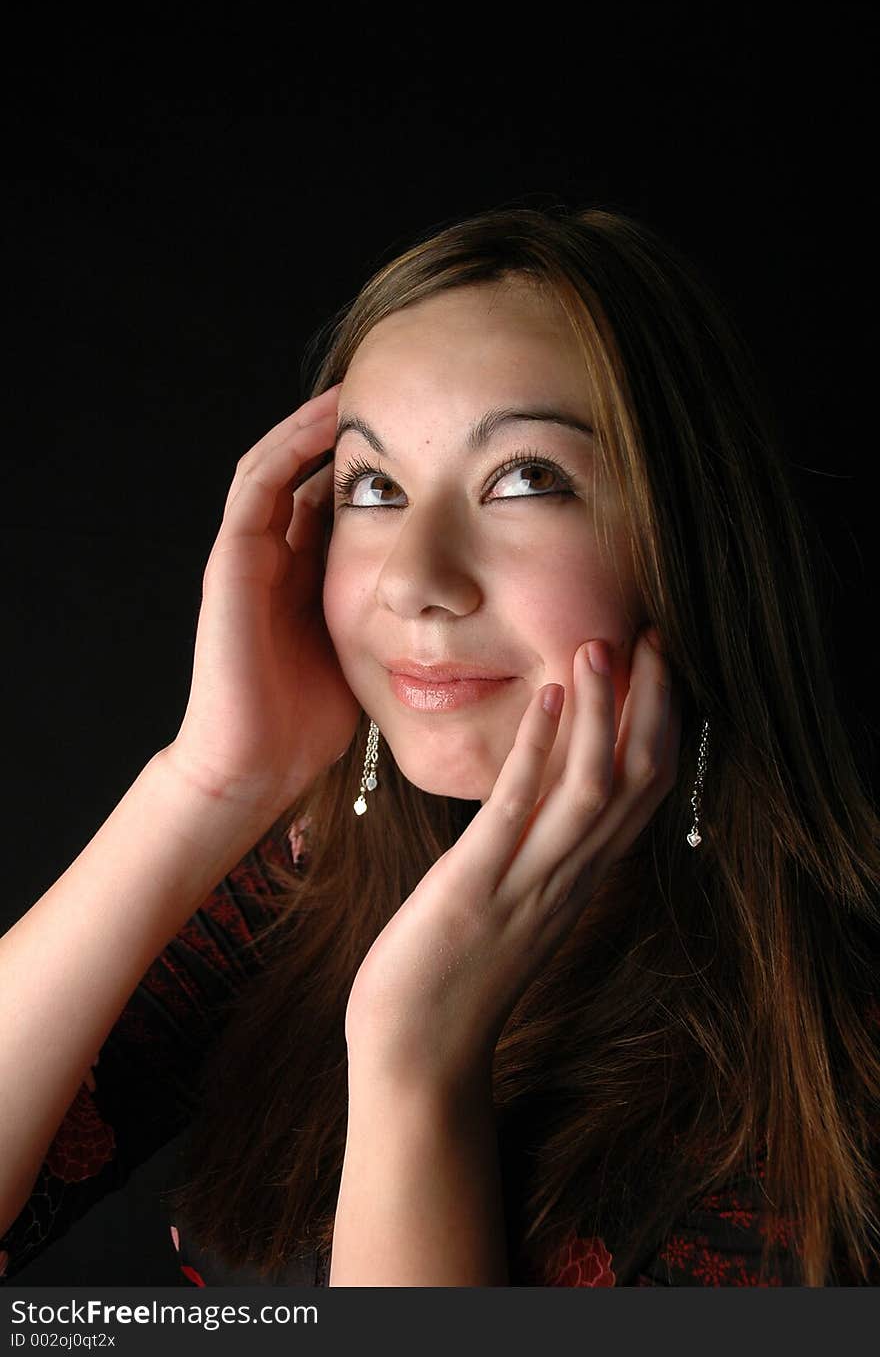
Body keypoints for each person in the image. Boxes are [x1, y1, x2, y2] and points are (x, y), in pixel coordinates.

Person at [1, 203, 878, 1288]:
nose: (414, 578)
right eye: (374, 487)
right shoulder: (295, 885)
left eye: (525, 478)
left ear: (694, 546)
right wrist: (208, 780)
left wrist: (415, 1053)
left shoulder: (830, 1080)